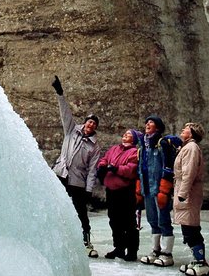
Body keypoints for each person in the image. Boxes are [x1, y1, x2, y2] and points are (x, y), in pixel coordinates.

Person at [51, 75, 101, 258]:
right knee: (55, 206)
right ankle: (56, 237)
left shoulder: (94, 146)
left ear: (95, 128)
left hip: (78, 181)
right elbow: (64, 112)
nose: (91, 124)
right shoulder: (71, 130)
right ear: (85, 122)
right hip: (60, 173)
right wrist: (60, 93)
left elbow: (93, 169)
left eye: (94, 124)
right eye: (89, 121)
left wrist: (89, 189)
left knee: (80, 211)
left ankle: (85, 240)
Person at [137, 115, 182, 267]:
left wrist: (165, 187)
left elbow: (168, 165)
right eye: (147, 122)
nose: (148, 124)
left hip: (159, 187)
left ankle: (167, 253)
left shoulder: (162, 143)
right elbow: (141, 167)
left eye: (152, 122)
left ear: (158, 127)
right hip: (148, 188)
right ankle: (155, 250)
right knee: (152, 219)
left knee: (163, 220)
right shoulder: (143, 146)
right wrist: (139, 187)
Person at [97, 128, 142, 261]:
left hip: (125, 191)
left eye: (128, 134)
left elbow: (131, 169)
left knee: (128, 221)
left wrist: (116, 169)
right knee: (114, 220)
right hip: (111, 190)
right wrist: (103, 166)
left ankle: (132, 250)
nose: (125, 135)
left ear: (133, 139)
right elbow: (105, 159)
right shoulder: (114, 148)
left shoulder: (134, 152)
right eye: (125, 134)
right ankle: (119, 248)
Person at [174, 122, 209, 276]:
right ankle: (196, 260)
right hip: (185, 190)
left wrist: (183, 193)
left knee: (191, 228)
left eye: (186, 128)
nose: (183, 130)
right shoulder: (187, 147)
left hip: (188, 192)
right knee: (188, 227)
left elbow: (189, 173)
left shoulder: (191, 148)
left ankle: (201, 263)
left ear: (193, 133)